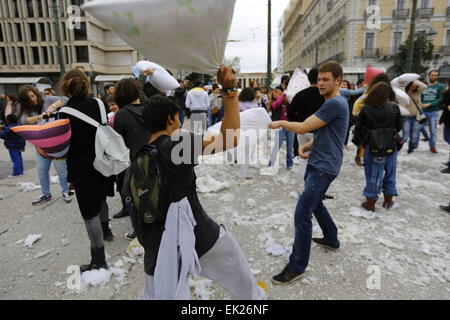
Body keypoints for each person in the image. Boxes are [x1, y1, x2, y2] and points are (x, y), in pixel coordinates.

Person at [137, 66, 266, 300]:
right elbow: (230, 138)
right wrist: (229, 90)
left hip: (155, 242)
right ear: (170, 119)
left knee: (157, 293)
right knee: (233, 260)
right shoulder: (175, 145)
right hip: (196, 232)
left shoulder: (139, 154)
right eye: (177, 118)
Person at [269, 61, 349, 284]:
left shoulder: (335, 103)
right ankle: (331, 238)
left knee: (302, 213)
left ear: (338, 81)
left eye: (326, 80)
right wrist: (308, 146)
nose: (321, 83)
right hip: (318, 162)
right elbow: (329, 133)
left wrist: (281, 123)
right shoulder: (331, 103)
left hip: (324, 168)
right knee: (316, 204)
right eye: (320, 79)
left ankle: (297, 265)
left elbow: (304, 126)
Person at [59, 69, 116, 272]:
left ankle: (98, 260)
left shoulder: (64, 113)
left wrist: (69, 176)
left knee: (88, 212)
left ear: (65, 86)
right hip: (102, 161)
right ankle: (107, 230)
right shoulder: (100, 104)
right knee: (101, 199)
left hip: (82, 168)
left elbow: (66, 149)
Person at [16, 85, 72, 205]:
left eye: (32, 96)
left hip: (57, 144)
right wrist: (40, 116)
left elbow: (66, 99)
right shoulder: (27, 109)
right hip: (41, 145)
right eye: (28, 99)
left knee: (61, 170)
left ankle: (65, 191)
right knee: (42, 170)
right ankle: (45, 193)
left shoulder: (47, 99)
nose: (32, 99)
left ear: (36, 93)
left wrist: (52, 107)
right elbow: (24, 120)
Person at [353, 82, 402, 212]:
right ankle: (388, 200)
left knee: (373, 173)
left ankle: (371, 201)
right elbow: (399, 127)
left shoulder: (366, 108)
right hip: (390, 145)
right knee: (391, 172)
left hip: (372, 145)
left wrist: (361, 145)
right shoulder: (394, 107)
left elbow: (358, 129)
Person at [113, 78, 151, 239]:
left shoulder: (121, 115)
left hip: (132, 161)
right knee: (151, 193)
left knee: (133, 197)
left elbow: (119, 142)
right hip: (152, 157)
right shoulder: (150, 109)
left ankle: (137, 229)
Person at [269, 89, 294, 169]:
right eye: (273, 95)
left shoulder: (287, 103)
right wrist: (283, 95)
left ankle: (289, 164)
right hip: (280, 127)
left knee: (290, 148)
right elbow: (276, 104)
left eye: (277, 93)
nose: (275, 95)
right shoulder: (274, 104)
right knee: (277, 146)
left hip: (290, 125)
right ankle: (271, 164)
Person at [421, 70, 445, 153]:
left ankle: (433, 146)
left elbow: (441, 98)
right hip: (422, 111)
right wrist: (421, 103)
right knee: (419, 127)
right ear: (429, 76)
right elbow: (421, 96)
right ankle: (423, 138)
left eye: (435, 75)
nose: (433, 77)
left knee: (433, 130)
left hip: (433, 112)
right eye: (432, 75)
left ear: (437, 76)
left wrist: (430, 104)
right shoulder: (424, 86)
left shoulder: (441, 86)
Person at [402, 80, 427, 154]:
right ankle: (398, 147)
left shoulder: (418, 92)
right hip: (406, 117)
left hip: (416, 117)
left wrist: (414, 81)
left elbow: (424, 86)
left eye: (415, 84)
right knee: (405, 136)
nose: (414, 86)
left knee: (414, 136)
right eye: (412, 84)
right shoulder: (403, 93)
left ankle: (410, 149)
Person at [439, 79, 450, 174]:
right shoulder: (447, 93)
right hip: (447, 120)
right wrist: (447, 106)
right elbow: (441, 104)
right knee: (446, 138)